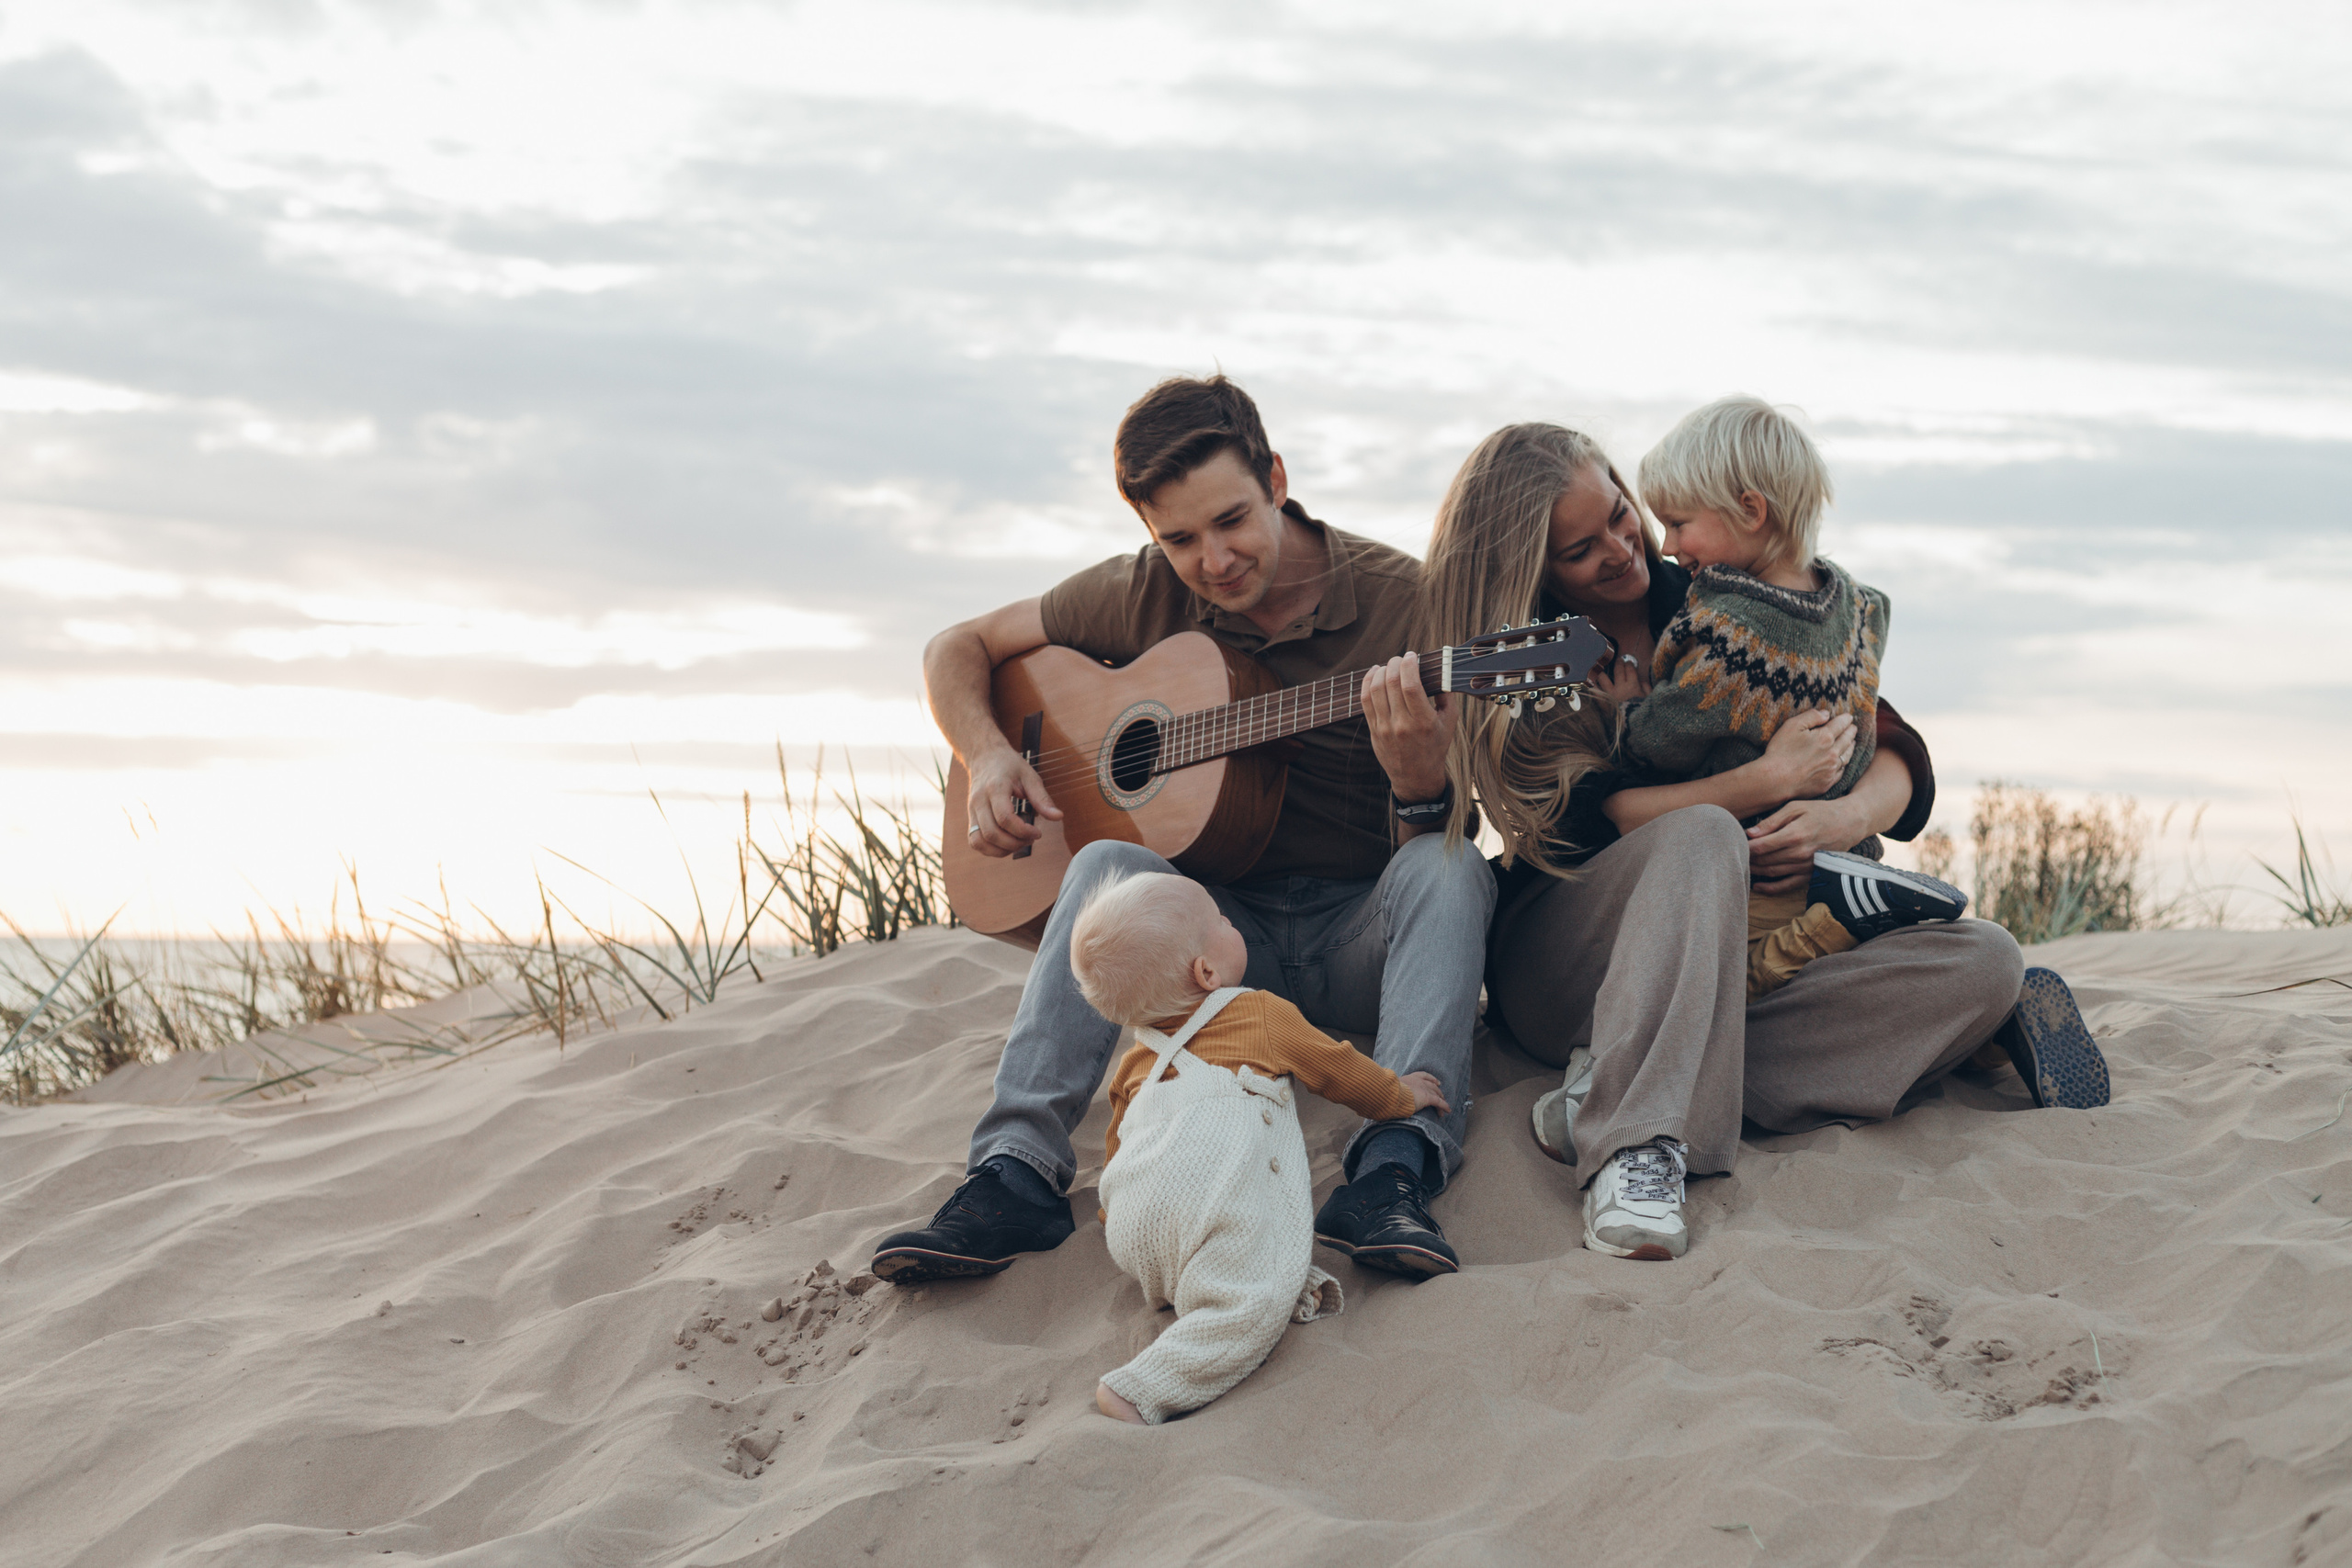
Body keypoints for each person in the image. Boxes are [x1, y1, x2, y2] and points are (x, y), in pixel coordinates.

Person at [1420, 422, 2109, 1262]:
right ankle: (1636, 1145)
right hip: (1572, 948)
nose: (1622, 548)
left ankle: (1623, 1077)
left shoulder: (1717, 593)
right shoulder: (1522, 658)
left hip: (1737, 961)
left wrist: (1846, 817)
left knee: (1989, 961)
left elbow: (1887, 741)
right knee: (1702, 835)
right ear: (1534, 572)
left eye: (1619, 515)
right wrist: (1766, 782)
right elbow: (1586, 822)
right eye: (1579, 549)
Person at [872, 374, 1495, 1286]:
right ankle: (1016, 1174)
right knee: (1109, 862)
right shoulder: (1141, 594)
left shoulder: (1412, 607)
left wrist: (1418, 788)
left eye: (1233, 520)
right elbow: (954, 647)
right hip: (1214, 954)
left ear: (1276, 478)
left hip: (1359, 942)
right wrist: (993, 756)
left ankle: (1393, 1168)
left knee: (1451, 868)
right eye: (1180, 539)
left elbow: (1430, 866)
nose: (1214, 560)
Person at [1610, 396, 1970, 999]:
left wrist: (1625, 709)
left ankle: (1832, 931)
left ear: (1751, 510)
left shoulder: (1727, 637)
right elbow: (1869, 727)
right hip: (1851, 861)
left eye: (1677, 523)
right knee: (1903, 977)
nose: (1666, 544)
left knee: (1731, 986)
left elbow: (1656, 744)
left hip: (1759, 872)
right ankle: (1980, 1027)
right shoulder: (1859, 610)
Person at [1074, 871, 1451, 1425]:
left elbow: (1120, 1144)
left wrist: (1115, 1216)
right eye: (1220, 921)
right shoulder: (1261, 1014)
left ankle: (1189, 1286)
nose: (1230, 922)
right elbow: (1338, 1069)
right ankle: (1143, 1388)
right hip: (1211, 1202)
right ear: (1206, 971)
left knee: (1213, 1254)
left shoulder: (1135, 1064)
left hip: (1135, 1228)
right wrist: (1398, 1094)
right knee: (1255, 1302)